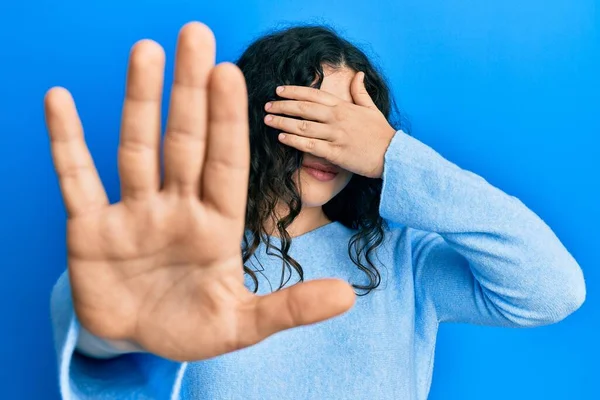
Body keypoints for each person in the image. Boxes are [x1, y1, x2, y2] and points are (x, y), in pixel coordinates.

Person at [47, 21, 586, 400]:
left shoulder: (405, 262)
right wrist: (107, 339)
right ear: (257, 119)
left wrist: (394, 156)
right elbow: (106, 355)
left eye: (348, 125)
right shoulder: (173, 261)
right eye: (308, 118)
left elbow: (553, 289)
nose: (326, 146)